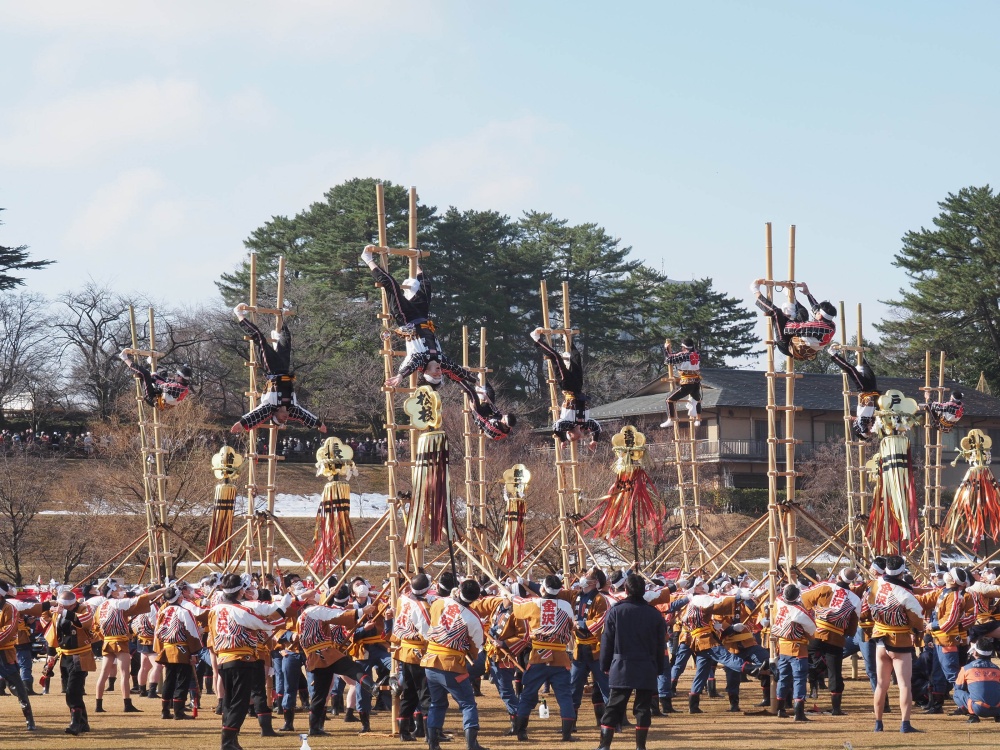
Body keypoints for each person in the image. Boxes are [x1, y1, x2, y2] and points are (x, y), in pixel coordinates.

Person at [361, 246, 479, 393]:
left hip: (406, 318)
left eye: (434, 376)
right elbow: (458, 370)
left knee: (391, 284)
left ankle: (367, 260)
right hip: (422, 316)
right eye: (439, 375)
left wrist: (399, 376)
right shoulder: (442, 361)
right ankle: (413, 262)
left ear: (426, 373)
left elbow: (410, 366)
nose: (438, 373)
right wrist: (475, 380)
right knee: (426, 285)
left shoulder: (421, 360)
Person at [208, 573, 286, 750]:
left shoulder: (215, 610)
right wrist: (282, 612)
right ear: (240, 591)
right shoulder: (240, 610)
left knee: (229, 700)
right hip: (241, 658)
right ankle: (227, 741)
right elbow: (267, 625)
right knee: (241, 702)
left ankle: (231, 738)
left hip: (224, 658)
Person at [594, 574, 667, 750]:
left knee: (613, 706)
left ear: (626, 590)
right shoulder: (654, 614)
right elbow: (660, 644)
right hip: (646, 664)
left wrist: (604, 665)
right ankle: (640, 746)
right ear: (644, 591)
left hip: (621, 664)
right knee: (642, 708)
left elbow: (607, 641)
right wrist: (659, 666)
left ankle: (605, 745)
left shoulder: (616, 611)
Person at [230, 303, 327, 434]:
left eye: (280, 419)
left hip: (272, 370)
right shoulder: (293, 407)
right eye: (284, 421)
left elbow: (255, 415)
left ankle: (239, 315)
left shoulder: (269, 407)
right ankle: (280, 320)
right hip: (285, 371)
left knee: (260, 338)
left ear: (274, 414)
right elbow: (305, 416)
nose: (284, 418)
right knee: (287, 340)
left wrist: (241, 423)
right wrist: (319, 424)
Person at [296, 585, 376, 737]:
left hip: (313, 656)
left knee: (320, 694)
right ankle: (372, 687)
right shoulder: (314, 610)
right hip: (326, 652)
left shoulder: (301, 617)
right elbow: (337, 614)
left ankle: (314, 728)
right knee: (353, 669)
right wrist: (361, 611)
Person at [419, 578, 490, 750]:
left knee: (437, 703)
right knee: (467, 703)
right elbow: (476, 647)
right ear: (475, 598)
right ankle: (471, 744)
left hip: (430, 661)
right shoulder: (473, 618)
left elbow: (432, 604)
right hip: (451, 666)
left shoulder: (440, 602)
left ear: (459, 590)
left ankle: (433, 743)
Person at [511, 574, 577, 742]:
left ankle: (521, 731)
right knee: (564, 696)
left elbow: (517, 606)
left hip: (538, 655)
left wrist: (511, 593)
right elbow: (571, 626)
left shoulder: (533, 603)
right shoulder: (566, 606)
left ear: (543, 588)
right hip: (560, 657)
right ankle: (567, 734)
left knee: (528, 694)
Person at [869, 555, 927, 733]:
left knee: (881, 684)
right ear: (902, 571)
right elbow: (918, 621)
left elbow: (866, 607)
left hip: (879, 637)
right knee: (904, 685)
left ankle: (878, 724)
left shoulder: (874, 585)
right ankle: (905, 724)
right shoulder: (905, 594)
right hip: (900, 640)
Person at [94, 580, 160, 713]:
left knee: (103, 674)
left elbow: (96, 627)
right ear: (111, 591)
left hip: (107, 640)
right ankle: (127, 703)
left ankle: (98, 704)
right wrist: (161, 591)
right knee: (125, 674)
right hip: (119, 640)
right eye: (117, 588)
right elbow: (139, 600)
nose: (120, 590)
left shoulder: (102, 606)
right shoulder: (117, 603)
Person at [801, 568, 861, 715]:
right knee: (835, 672)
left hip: (816, 633)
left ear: (839, 576)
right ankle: (836, 708)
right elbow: (852, 628)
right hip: (836, 638)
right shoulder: (855, 599)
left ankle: (802, 693)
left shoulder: (825, 586)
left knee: (805, 661)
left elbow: (804, 600)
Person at [530, 328, 601, 447]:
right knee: (577, 358)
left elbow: (556, 428)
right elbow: (597, 427)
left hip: (567, 386)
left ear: (569, 433)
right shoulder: (585, 423)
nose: (578, 437)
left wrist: (563, 440)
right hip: (578, 389)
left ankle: (537, 340)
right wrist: (595, 440)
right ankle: (567, 340)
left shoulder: (567, 424)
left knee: (556, 358)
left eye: (573, 438)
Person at [44, 586, 97, 735]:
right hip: (65, 656)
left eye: (66, 606)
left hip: (80, 655)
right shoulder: (58, 612)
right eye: (61, 605)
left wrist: (65, 612)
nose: (62, 608)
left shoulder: (84, 609)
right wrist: (50, 653)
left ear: (74, 604)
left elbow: (83, 621)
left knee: (73, 690)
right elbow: (50, 628)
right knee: (71, 690)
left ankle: (75, 724)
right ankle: (83, 723)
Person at [391, 572, 433, 741]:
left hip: (405, 650)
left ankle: (404, 732)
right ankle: (430, 733)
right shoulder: (423, 608)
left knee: (409, 692)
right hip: (418, 653)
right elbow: (428, 633)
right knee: (425, 693)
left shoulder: (403, 599)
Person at [751, 280, 837, 360]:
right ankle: (788, 293)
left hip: (787, 345)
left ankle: (755, 291)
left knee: (776, 312)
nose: (816, 312)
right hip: (798, 339)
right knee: (803, 312)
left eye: (818, 313)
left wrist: (788, 316)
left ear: (821, 316)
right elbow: (816, 308)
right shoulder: (830, 324)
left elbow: (789, 328)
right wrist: (808, 294)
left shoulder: (818, 327)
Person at [153, 585, 201, 721]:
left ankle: (165, 710)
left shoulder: (163, 611)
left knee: (170, 679)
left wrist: (159, 649)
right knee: (182, 680)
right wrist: (194, 652)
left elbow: (157, 632)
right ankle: (179, 711)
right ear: (179, 597)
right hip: (182, 649)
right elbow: (192, 632)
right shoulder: (184, 612)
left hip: (167, 648)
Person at [0, 580, 43, 731]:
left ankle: (29, 719)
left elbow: (9, 629)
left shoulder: (9, 608)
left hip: (4, 653)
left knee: (17, 687)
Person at [829, 343, 880, 439]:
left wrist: (864, 430)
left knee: (851, 370)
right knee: (869, 371)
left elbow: (859, 423)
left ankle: (833, 355)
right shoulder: (871, 420)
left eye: (869, 431)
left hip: (864, 390)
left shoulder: (862, 421)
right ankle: (859, 356)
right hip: (873, 391)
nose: (871, 430)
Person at [119, 351, 193, 409]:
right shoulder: (184, 387)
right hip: (161, 400)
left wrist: (153, 376)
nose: (175, 375)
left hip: (154, 399)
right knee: (163, 373)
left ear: (180, 377)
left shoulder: (176, 387)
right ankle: (151, 364)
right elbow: (167, 381)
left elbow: (161, 384)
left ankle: (124, 358)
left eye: (177, 375)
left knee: (145, 374)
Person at [953, 637, 1000, 723]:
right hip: (998, 708)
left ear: (975, 652)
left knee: (957, 693)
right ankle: (997, 716)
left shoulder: (966, 668)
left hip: (979, 708)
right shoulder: (997, 669)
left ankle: (973, 715)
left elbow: (958, 687)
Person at [659, 338, 702, 428]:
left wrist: (666, 349)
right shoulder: (697, 354)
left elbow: (668, 360)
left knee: (669, 399)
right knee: (697, 399)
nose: (681, 349)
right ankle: (698, 419)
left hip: (687, 383)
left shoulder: (683, 355)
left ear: (684, 347)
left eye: (682, 347)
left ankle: (671, 419)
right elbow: (676, 356)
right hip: (696, 382)